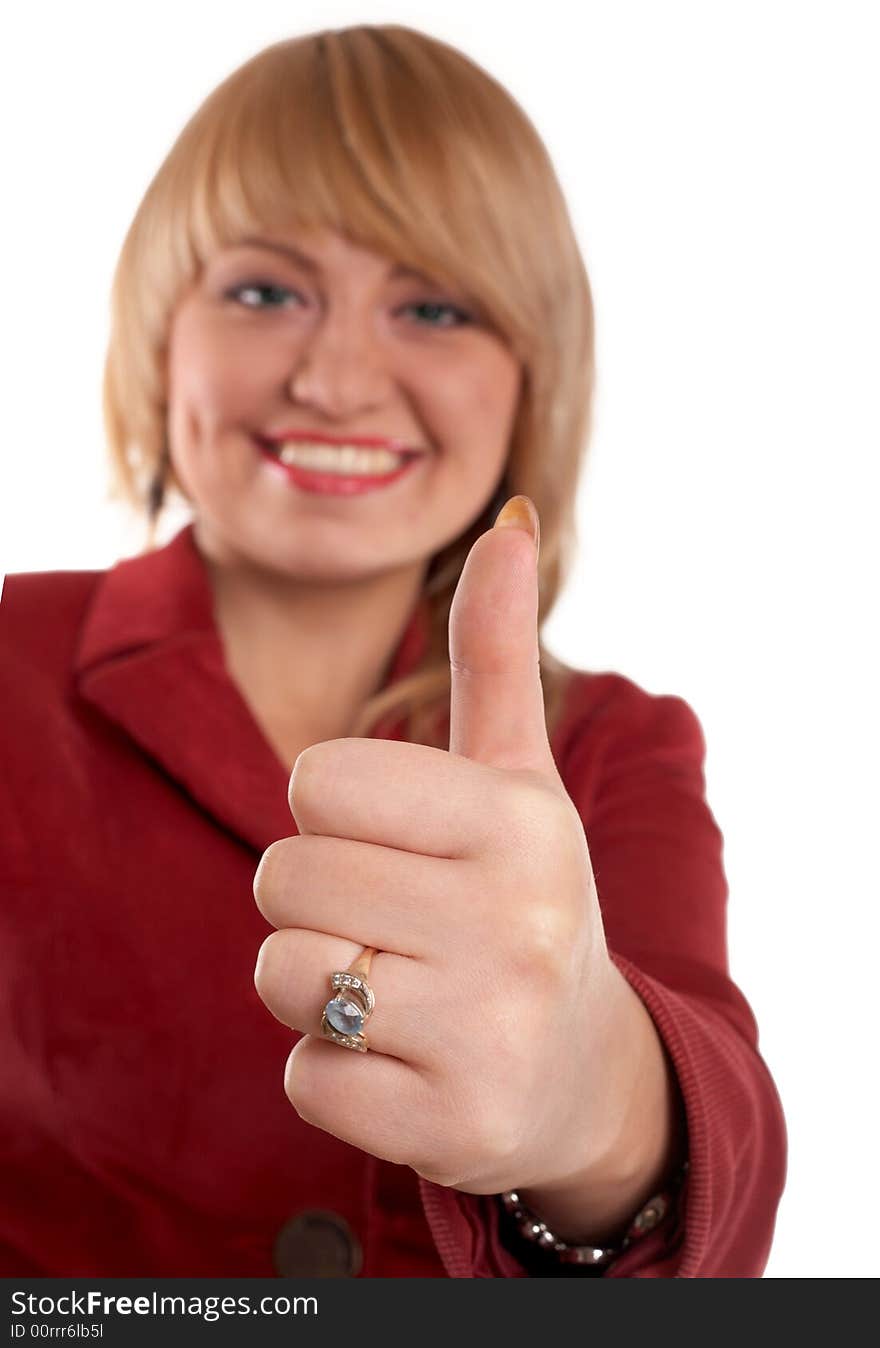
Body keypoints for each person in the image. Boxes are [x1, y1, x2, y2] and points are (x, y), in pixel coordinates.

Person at [0, 24, 786, 1278]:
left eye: (432, 306)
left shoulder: (618, 744)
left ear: (533, 381)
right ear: (161, 338)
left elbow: (727, 1202)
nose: (337, 378)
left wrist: (594, 1103)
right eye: (265, 291)